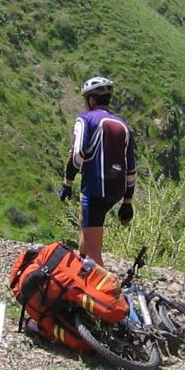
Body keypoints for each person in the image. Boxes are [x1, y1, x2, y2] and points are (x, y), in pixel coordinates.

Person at [57, 75, 137, 264]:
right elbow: (131, 169)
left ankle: (100, 289)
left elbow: (77, 155)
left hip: (95, 187)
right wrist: (127, 202)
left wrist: (67, 182)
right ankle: (82, 271)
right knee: (86, 224)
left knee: (94, 253)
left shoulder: (85, 120)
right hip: (117, 190)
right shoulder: (123, 125)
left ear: (90, 100)